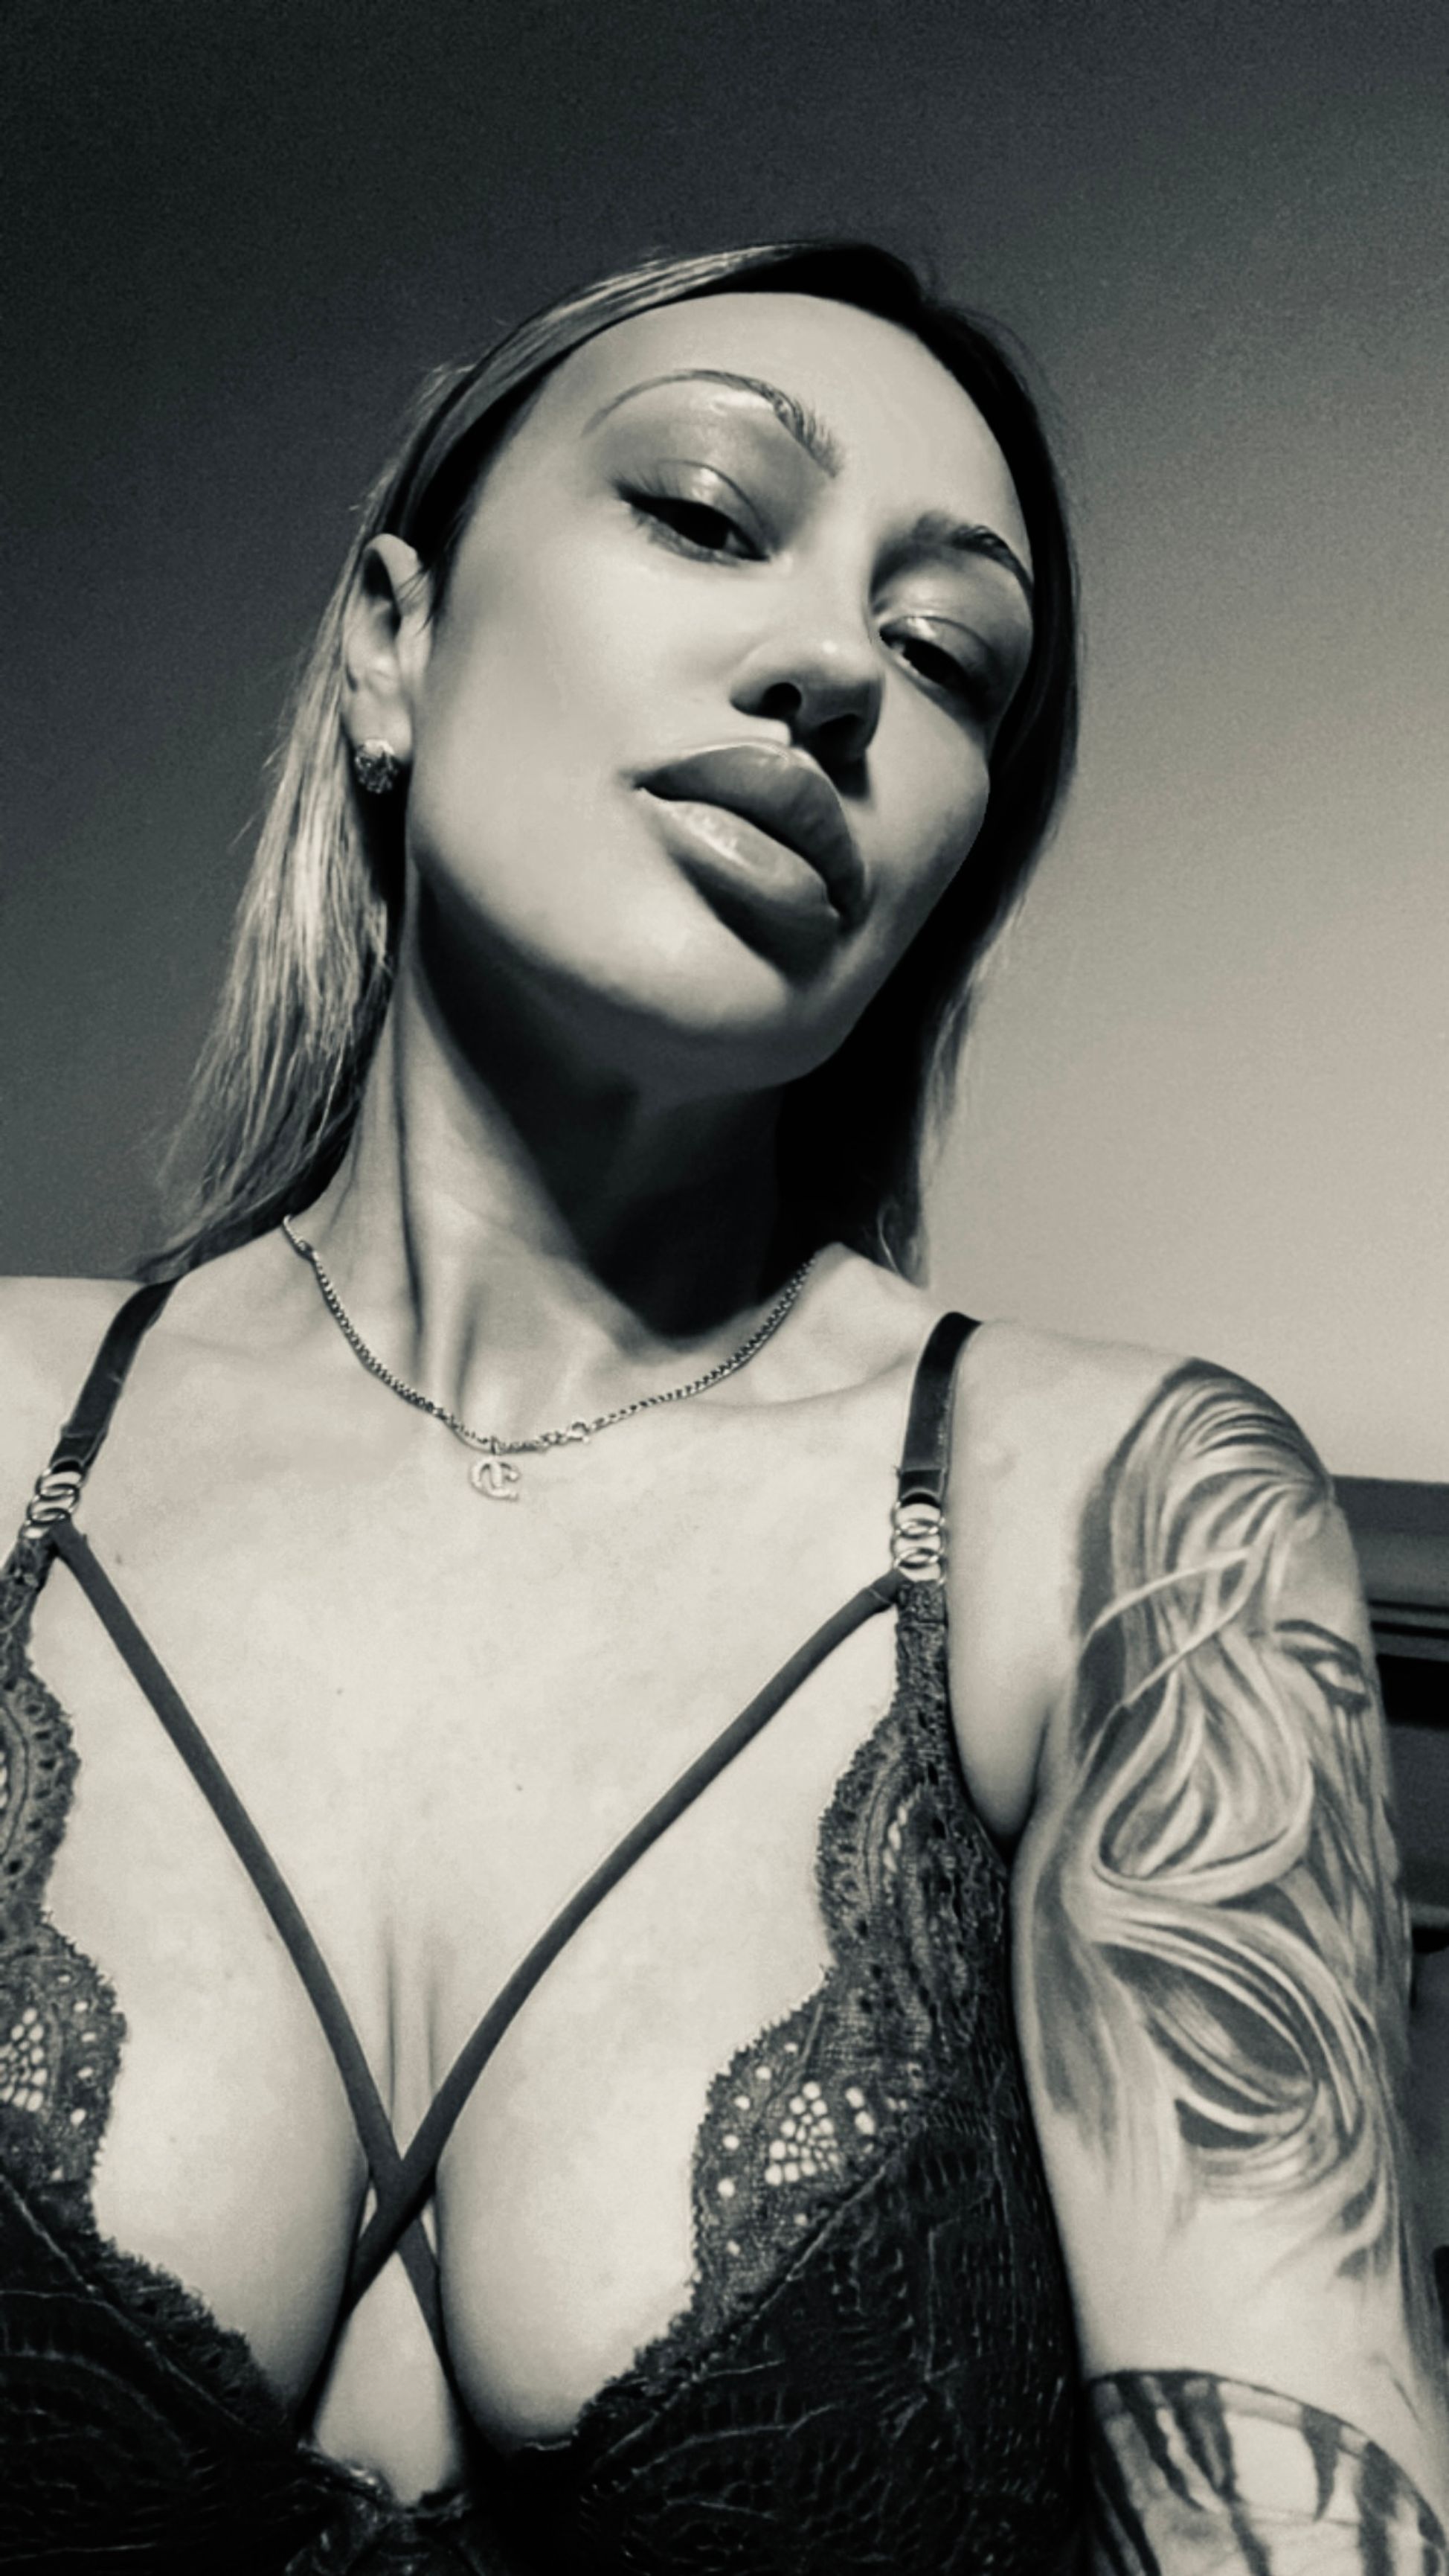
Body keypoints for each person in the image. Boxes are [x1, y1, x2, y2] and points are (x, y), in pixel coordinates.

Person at [0, 237, 1443, 2576]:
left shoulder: (1120, 1524)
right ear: (389, 647)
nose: (833, 668)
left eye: (947, 655)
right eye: (700, 511)